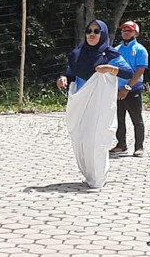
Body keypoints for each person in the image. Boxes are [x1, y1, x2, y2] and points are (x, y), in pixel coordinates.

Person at [57, 19, 133, 189]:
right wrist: (63, 78)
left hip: (99, 104)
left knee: (96, 138)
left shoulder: (109, 53)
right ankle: (89, 174)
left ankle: (99, 177)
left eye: (96, 31)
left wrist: (110, 69)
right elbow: (71, 72)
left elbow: (128, 72)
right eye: (89, 31)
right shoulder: (78, 52)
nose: (92, 34)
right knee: (82, 139)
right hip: (81, 102)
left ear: (103, 34)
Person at [111, 20, 148, 157]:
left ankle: (139, 147)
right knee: (119, 118)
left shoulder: (140, 50)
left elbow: (140, 71)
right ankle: (121, 144)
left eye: (129, 30)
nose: (126, 33)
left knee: (136, 119)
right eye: (124, 30)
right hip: (117, 88)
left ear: (136, 33)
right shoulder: (117, 49)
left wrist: (128, 87)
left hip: (133, 89)